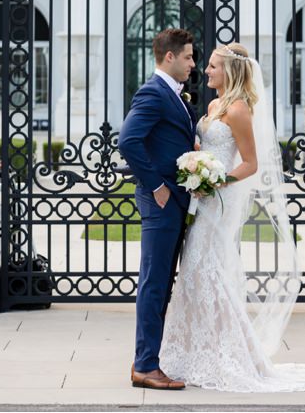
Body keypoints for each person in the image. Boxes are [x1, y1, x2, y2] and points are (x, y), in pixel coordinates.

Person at [158, 43, 305, 391]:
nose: (205, 71)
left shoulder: (238, 110)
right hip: (202, 200)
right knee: (195, 273)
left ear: (231, 72)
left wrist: (214, 180)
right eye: (206, 65)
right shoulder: (212, 105)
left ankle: (227, 354)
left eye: (212, 66)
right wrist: (197, 160)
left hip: (218, 199)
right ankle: (197, 351)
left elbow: (250, 164)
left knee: (207, 272)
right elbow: (210, 147)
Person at [116, 27, 197, 391]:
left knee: (162, 283)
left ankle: (147, 359)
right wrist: (157, 185)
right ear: (169, 57)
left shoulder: (173, 94)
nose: (192, 64)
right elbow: (128, 141)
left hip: (176, 200)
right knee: (154, 283)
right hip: (160, 200)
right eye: (189, 57)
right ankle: (146, 365)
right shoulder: (153, 91)